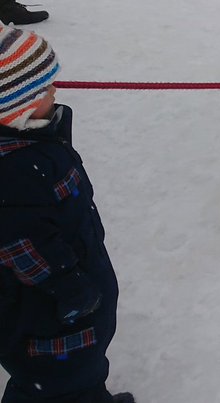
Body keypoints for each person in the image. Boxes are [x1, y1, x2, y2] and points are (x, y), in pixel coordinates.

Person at [0, 25, 134, 403]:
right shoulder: (13, 171)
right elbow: (20, 240)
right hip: (50, 313)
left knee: (78, 375)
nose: (56, 91)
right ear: (15, 107)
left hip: (66, 295)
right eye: (45, 89)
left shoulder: (25, 145)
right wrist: (70, 288)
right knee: (58, 384)